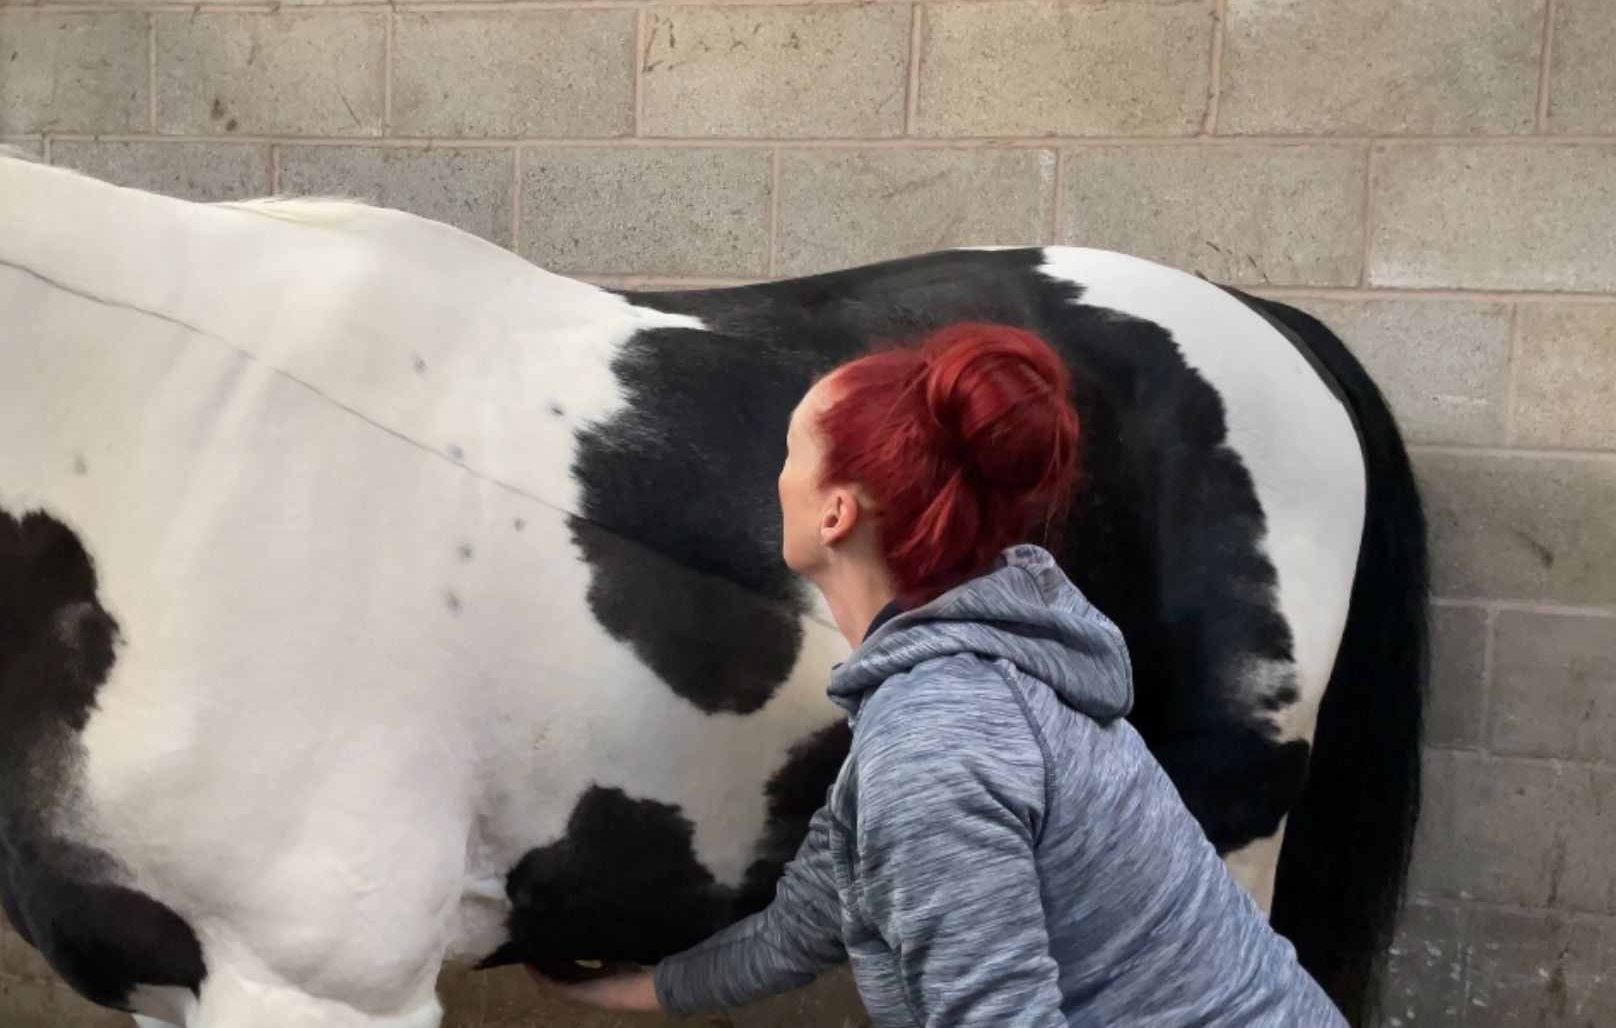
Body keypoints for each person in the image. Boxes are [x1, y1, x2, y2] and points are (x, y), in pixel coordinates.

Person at [532, 323, 1345, 1026]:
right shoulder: (958, 685)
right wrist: (618, 994)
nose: (776, 477)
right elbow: (802, 928)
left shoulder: (936, 744)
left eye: (790, 454)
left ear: (835, 514)